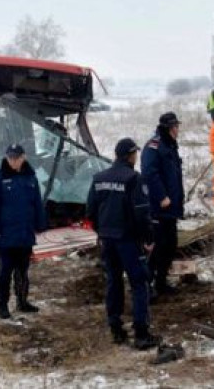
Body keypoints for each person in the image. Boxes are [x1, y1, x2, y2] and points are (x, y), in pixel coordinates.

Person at [86, 138, 161, 350]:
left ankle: (116, 328)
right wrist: (148, 239)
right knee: (139, 283)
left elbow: (90, 211)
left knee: (114, 281)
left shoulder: (99, 178)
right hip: (128, 240)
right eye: (135, 153)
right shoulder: (133, 178)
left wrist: (102, 231)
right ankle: (141, 333)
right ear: (130, 155)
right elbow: (141, 212)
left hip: (107, 240)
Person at [0, 144, 48, 319]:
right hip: (6, 235)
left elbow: (36, 203)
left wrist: (41, 224)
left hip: (25, 233)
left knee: (22, 270)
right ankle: (2, 305)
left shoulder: (30, 177)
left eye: (16, 157)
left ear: (23, 157)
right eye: (10, 157)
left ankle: (22, 301)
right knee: (4, 272)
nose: (13, 160)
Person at [141, 112, 185, 299]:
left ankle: (161, 282)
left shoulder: (169, 145)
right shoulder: (154, 146)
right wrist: (161, 197)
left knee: (170, 245)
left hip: (171, 208)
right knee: (157, 247)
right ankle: (146, 285)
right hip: (159, 207)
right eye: (175, 127)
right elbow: (149, 174)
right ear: (168, 128)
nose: (178, 130)